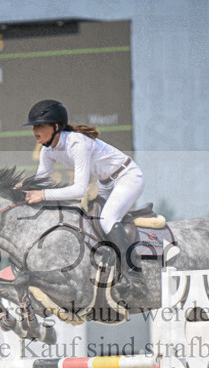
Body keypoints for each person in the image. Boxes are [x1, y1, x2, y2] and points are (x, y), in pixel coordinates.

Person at [20, 99, 145, 291]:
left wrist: (43, 194)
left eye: (39, 125)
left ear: (55, 126)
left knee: (107, 219)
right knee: (88, 222)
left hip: (128, 177)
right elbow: (41, 180)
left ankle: (135, 278)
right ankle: (108, 264)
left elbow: (79, 190)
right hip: (106, 183)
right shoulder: (48, 150)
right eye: (33, 126)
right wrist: (21, 187)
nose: (34, 130)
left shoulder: (77, 143)